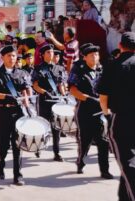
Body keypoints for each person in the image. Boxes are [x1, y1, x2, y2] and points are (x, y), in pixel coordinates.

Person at [0, 45, 32, 185]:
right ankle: (0, 163)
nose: (12, 58)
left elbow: (26, 91)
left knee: (18, 143)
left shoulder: (22, 73)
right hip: (4, 111)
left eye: (14, 56)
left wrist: (27, 102)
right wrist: (7, 97)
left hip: (18, 112)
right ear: (2, 58)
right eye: (9, 56)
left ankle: (17, 175)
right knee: (5, 144)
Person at [97, 32, 135, 201]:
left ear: (120, 46)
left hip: (122, 119)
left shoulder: (113, 65)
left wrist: (107, 115)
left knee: (127, 162)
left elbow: (103, 97)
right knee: (127, 166)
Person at [68, 44, 113, 179]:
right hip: (85, 110)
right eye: (92, 55)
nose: (95, 57)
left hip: (100, 110)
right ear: (85, 57)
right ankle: (80, 161)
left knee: (103, 141)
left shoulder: (101, 69)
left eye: (97, 54)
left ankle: (104, 170)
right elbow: (72, 89)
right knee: (85, 141)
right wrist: (88, 99)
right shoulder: (79, 69)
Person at [33, 44, 68, 161]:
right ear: (42, 55)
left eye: (52, 52)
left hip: (56, 102)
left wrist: (64, 96)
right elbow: (35, 85)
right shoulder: (38, 68)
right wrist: (44, 92)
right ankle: (38, 147)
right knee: (42, 126)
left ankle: (56, 153)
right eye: (48, 52)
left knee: (56, 128)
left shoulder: (59, 68)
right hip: (44, 101)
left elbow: (60, 85)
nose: (51, 54)